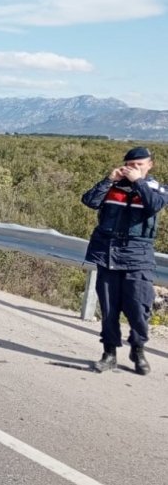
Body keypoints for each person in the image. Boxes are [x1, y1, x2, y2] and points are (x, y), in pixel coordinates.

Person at [82, 146, 168, 375]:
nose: (134, 168)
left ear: (150, 165)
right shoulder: (112, 187)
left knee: (139, 307)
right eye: (131, 164)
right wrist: (109, 179)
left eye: (140, 164)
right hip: (108, 254)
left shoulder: (156, 189)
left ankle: (137, 349)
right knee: (109, 309)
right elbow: (89, 201)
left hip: (138, 256)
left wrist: (138, 182)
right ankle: (109, 353)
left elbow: (155, 205)